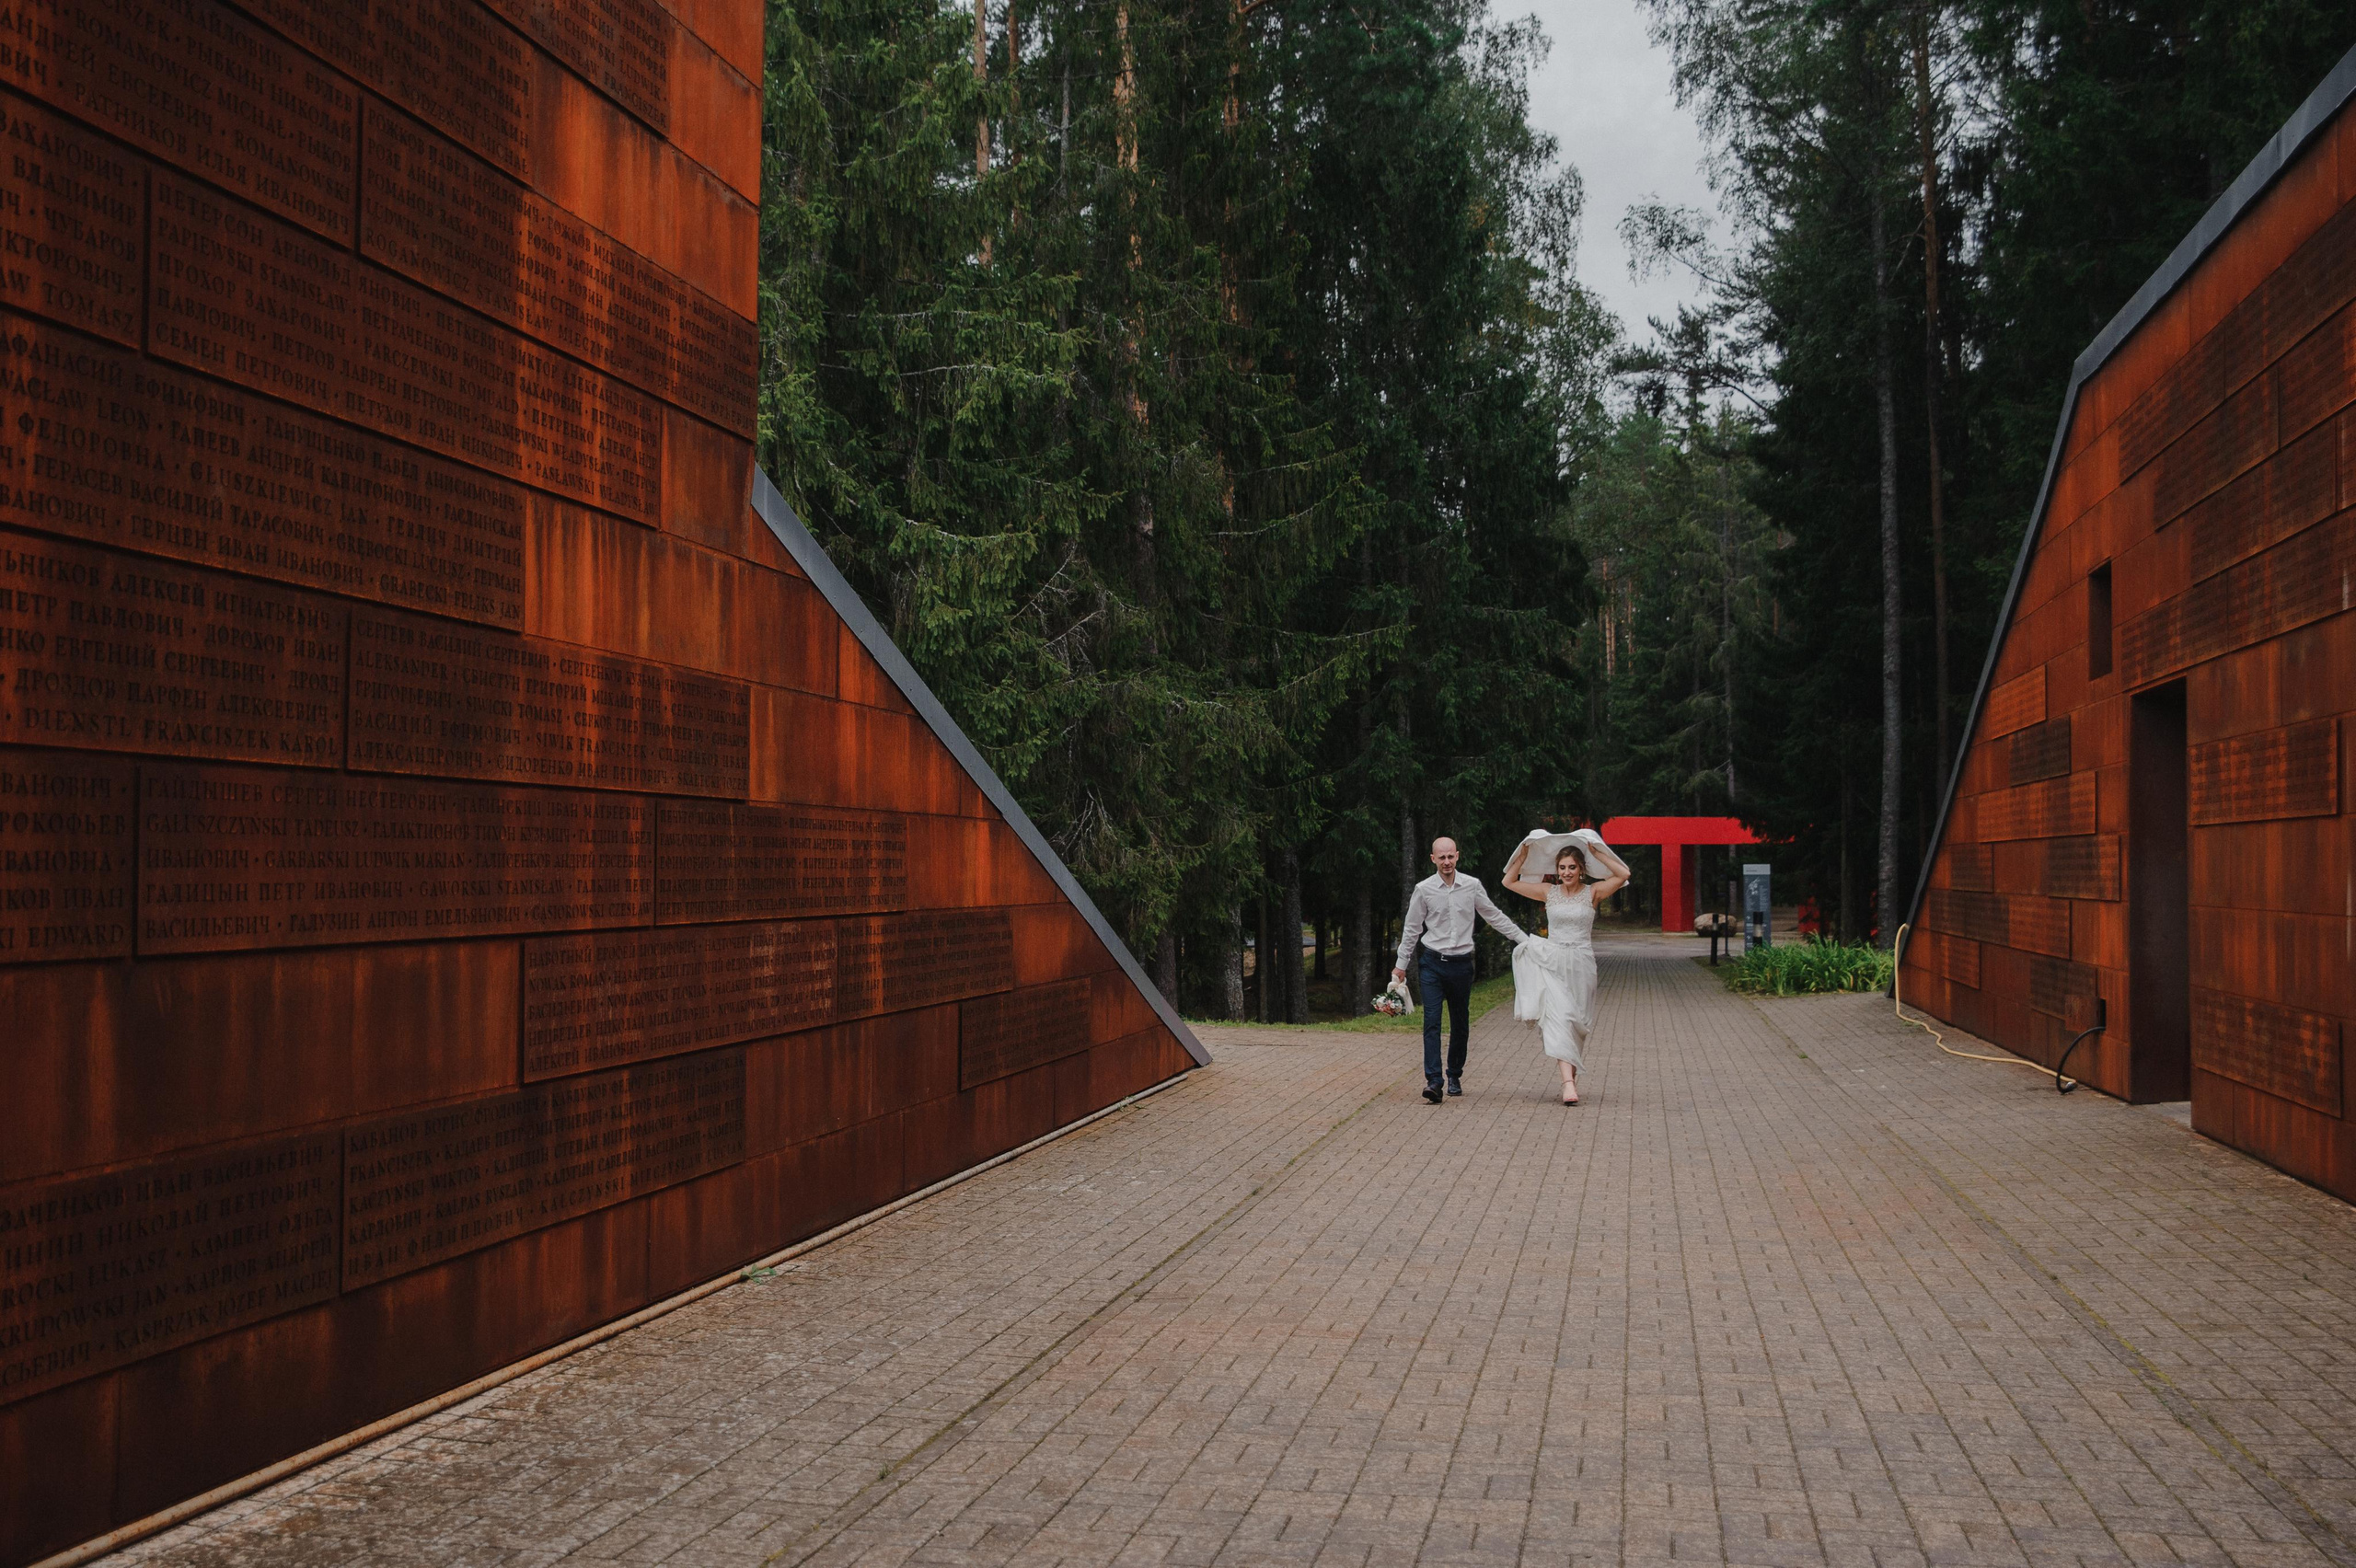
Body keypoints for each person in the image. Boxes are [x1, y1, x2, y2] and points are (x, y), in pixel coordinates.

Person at [1392, 836, 1530, 1103]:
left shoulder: (1471, 886)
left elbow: (1494, 915)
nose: (1446, 862)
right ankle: (1434, 1081)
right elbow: (1412, 929)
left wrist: (1523, 940)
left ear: (1457, 856)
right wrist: (1401, 965)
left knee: (1460, 1023)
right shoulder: (1423, 889)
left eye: (1450, 857)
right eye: (1441, 857)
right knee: (1432, 1022)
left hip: (1462, 965)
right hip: (1432, 964)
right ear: (1433, 859)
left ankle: (1454, 1074)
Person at [1501, 828, 1632, 1104]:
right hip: (1553, 961)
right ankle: (1568, 1084)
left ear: (1581, 869)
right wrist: (1523, 856)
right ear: (1556, 870)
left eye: (1572, 867)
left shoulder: (1594, 892)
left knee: (1578, 1023)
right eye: (1562, 868)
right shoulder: (1548, 892)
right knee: (1558, 1018)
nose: (1567, 872)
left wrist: (1597, 852)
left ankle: (1569, 1075)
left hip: (1582, 963)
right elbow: (1508, 881)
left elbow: (1623, 874)